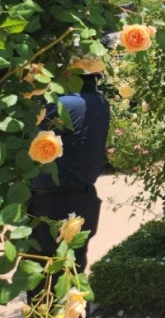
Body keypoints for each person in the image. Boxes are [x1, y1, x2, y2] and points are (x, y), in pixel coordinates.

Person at [27, 72, 111, 304]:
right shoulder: (99, 101)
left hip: (53, 204)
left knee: (44, 285)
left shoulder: (63, 104)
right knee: (71, 278)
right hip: (82, 200)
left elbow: (22, 127)